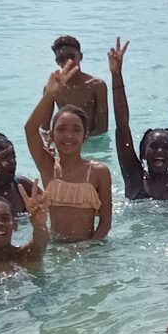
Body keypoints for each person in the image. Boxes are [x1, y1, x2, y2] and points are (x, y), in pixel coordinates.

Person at [23, 58, 114, 240]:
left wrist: (89, 249)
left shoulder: (99, 172)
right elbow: (30, 130)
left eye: (76, 130)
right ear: (52, 135)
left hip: (88, 249)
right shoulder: (47, 166)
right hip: (54, 248)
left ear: (85, 136)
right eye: (61, 129)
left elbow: (105, 223)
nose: (69, 136)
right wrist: (50, 94)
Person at [107, 39, 168, 200]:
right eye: (153, 146)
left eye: (166, 147)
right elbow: (122, 126)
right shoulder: (135, 179)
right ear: (143, 152)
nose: (160, 152)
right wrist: (116, 76)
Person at [44, 36, 109, 137]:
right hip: (64, 140)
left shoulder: (97, 86)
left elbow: (102, 128)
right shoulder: (53, 88)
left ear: (80, 56)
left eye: (71, 57)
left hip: (92, 139)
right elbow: (44, 128)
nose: (67, 62)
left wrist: (84, 141)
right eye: (61, 59)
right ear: (57, 62)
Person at [0, 185, 50, 271]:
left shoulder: (26, 256)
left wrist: (39, 225)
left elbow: (40, 243)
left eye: (5, 218)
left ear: (15, 225)